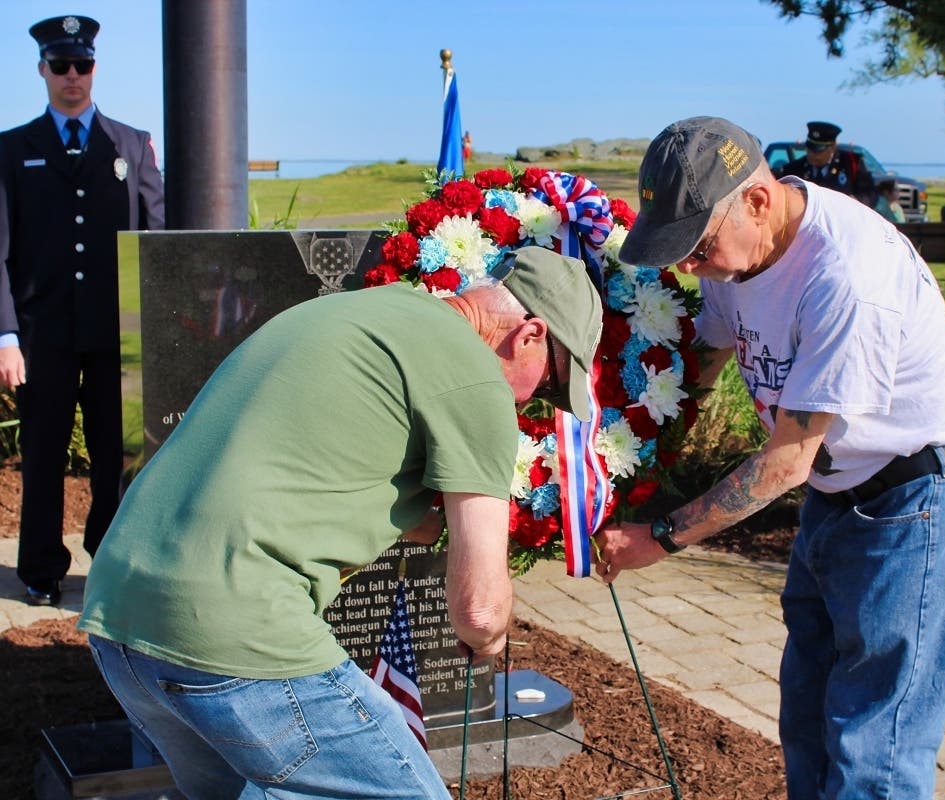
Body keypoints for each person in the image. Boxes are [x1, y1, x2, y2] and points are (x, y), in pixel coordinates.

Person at [77, 246, 603, 800]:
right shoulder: (477, 378)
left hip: (120, 621)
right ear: (529, 336)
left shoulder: (356, 312)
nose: (530, 404)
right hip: (237, 633)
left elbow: (332, 480)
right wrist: (490, 640)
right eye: (546, 387)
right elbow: (479, 613)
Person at [599, 116, 945, 800]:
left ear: (756, 199)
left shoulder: (845, 277)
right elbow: (708, 359)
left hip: (914, 499)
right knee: (807, 720)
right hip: (840, 494)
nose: (688, 268)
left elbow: (785, 462)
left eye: (697, 247)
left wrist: (658, 537)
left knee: (876, 745)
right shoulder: (740, 248)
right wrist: (630, 453)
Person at [0, 15, 164, 607]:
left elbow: (156, 236)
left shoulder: (130, 144)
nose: (73, 76)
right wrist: (5, 336)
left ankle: (109, 563)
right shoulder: (13, 150)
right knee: (42, 456)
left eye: (83, 65)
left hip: (114, 334)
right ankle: (41, 571)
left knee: (115, 457)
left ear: (95, 68)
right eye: (61, 65)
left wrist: (161, 323)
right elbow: (1, 250)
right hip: (43, 335)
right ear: (43, 70)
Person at [781, 120, 875, 205]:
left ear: (833, 147)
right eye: (810, 149)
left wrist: (853, 201)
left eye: (818, 151)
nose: (812, 154)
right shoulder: (794, 169)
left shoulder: (851, 164)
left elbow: (870, 194)